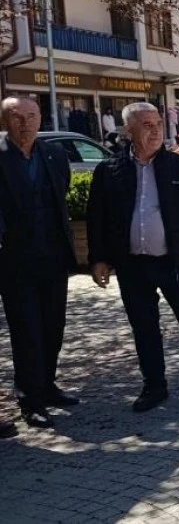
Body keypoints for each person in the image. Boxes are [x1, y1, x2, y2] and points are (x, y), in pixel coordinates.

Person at [86, 102, 179, 413]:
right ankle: (154, 385)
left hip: (174, 263)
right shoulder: (110, 170)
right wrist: (98, 258)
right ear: (129, 131)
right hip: (132, 265)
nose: (155, 131)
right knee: (144, 328)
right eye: (146, 125)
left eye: (157, 124)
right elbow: (96, 216)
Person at [0, 96, 79, 429]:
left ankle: (47, 386)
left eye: (31, 116)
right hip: (14, 261)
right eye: (17, 117)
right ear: (4, 121)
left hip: (53, 257)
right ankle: (30, 400)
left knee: (52, 327)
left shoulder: (54, 154)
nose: (25, 124)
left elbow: (62, 194)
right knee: (27, 331)